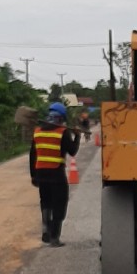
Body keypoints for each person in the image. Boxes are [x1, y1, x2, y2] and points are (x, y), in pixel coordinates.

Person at [30, 102, 80, 247]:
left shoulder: (37, 131)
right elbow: (72, 152)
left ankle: (46, 228)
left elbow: (32, 155)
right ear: (62, 117)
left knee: (45, 202)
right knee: (59, 204)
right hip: (56, 173)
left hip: (41, 173)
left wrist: (33, 175)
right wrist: (76, 136)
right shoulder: (62, 132)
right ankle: (54, 238)